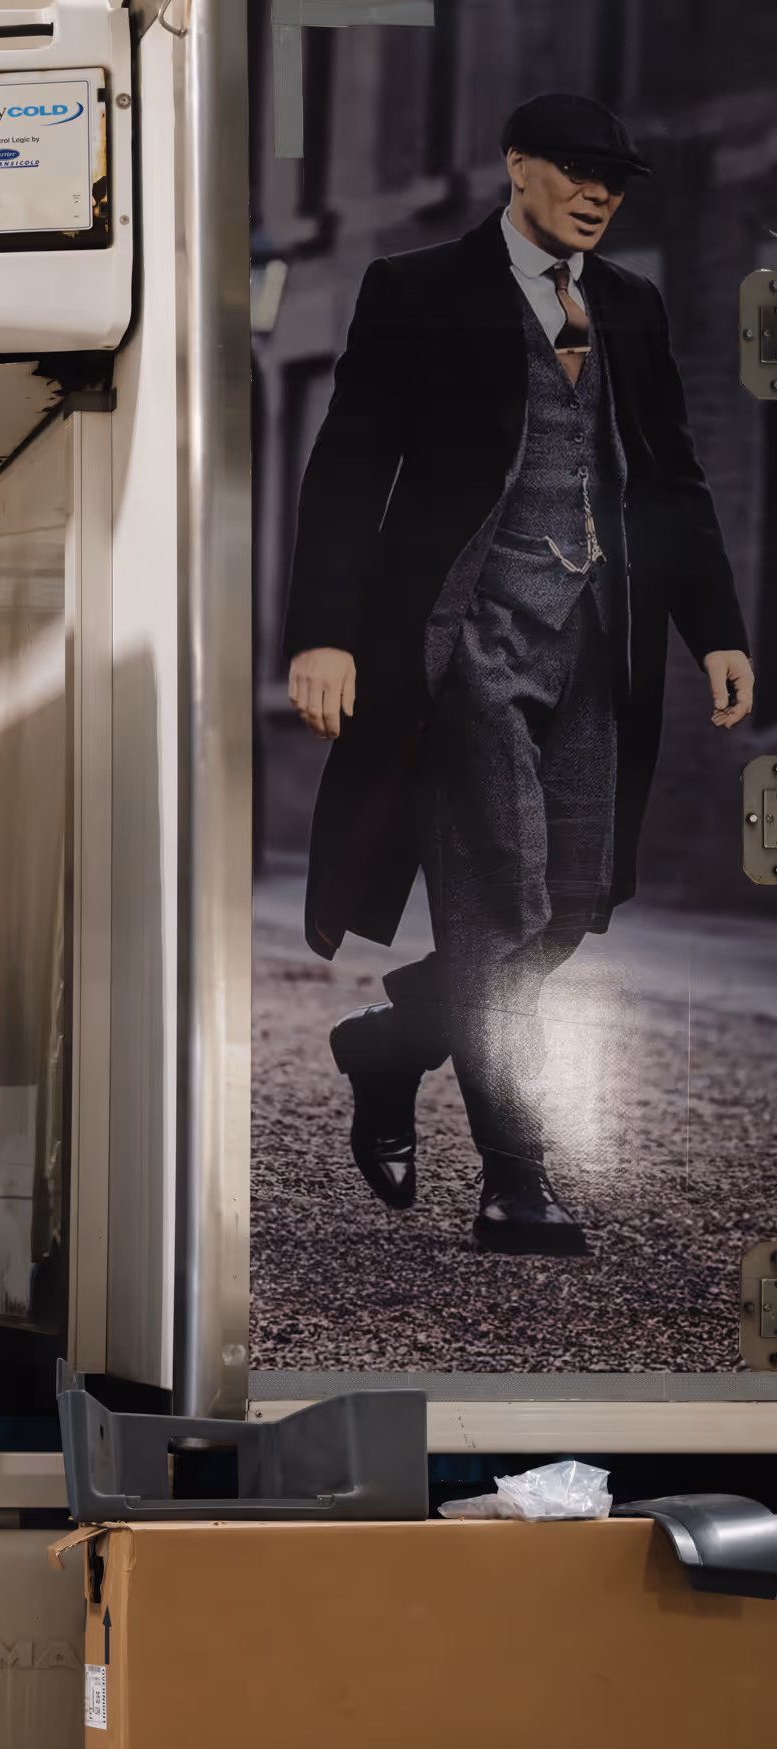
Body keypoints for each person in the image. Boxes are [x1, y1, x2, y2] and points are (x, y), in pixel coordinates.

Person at [283, 91, 755, 1255]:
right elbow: (349, 468)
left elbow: (675, 483)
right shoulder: (417, 289)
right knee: (500, 904)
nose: (600, 195)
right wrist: (324, 632)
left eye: (616, 182)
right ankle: (517, 1176)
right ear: (518, 167)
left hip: (595, 645)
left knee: (577, 901)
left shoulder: (633, 309)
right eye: (580, 173)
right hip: (462, 649)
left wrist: (720, 630)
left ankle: (390, 1047)